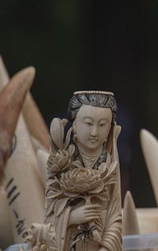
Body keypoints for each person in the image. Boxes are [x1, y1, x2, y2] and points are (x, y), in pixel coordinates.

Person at [45, 91, 122, 251]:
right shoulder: (61, 163)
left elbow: (115, 217)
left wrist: (106, 247)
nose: (94, 132)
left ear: (110, 129)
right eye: (88, 123)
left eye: (102, 125)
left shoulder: (109, 164)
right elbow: (48, 219)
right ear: (74, 125)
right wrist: (71, 217)